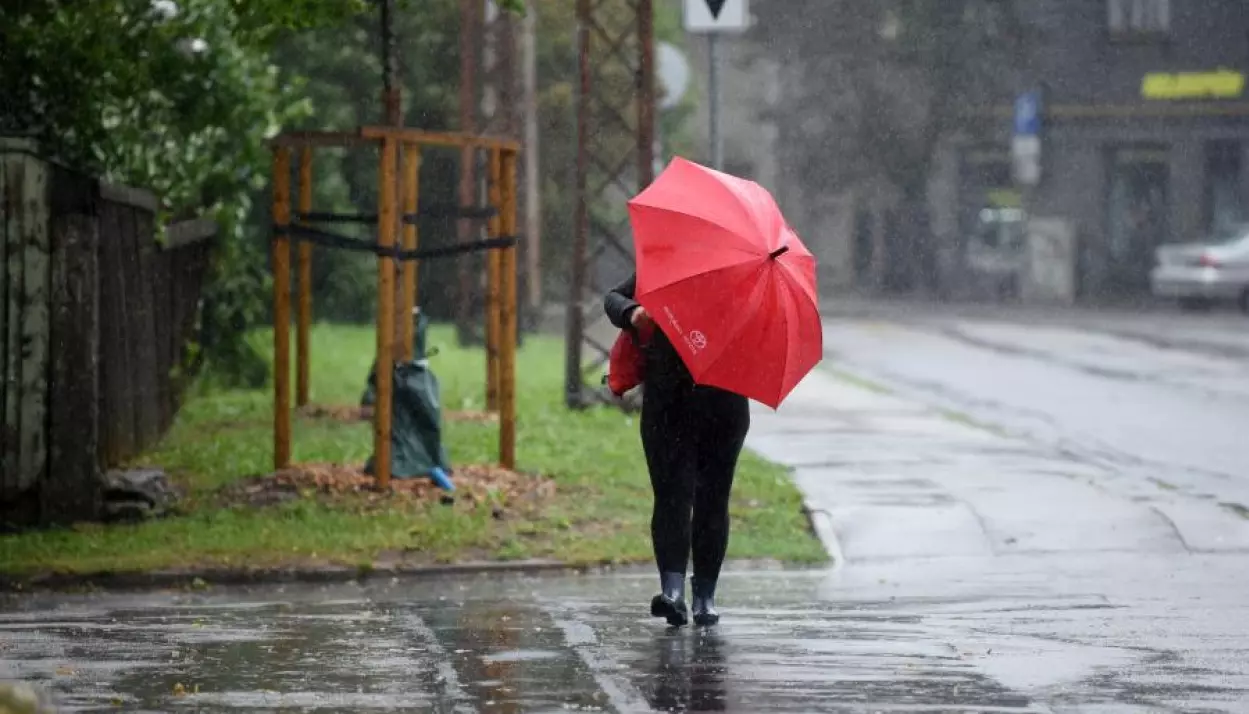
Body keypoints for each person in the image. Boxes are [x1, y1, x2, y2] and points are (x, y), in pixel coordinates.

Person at [604, 273, 751, 627]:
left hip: (724, 405)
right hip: (667, 403)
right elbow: (613, 297)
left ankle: (704, 598)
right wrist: (634, 312)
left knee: (713, 499)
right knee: (671, 495)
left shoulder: (749, 280)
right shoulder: (672, 265)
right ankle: (672, 593)